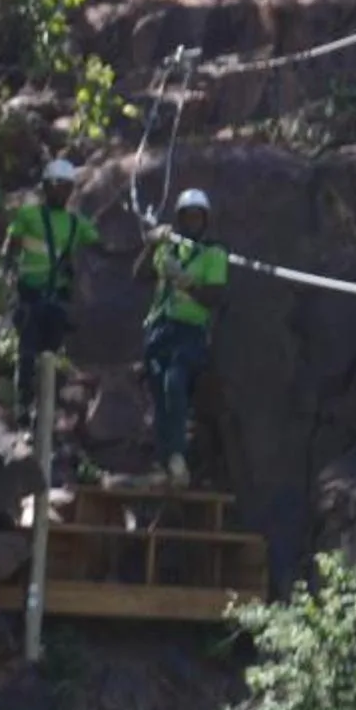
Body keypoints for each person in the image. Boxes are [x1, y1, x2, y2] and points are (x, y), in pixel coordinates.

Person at [143, 187, 227, 488]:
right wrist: (151, 246)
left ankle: (177, 457)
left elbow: (214, 297)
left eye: (197, 217)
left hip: (189, 332)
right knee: (158, 394)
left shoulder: (214, 253)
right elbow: (139, 276)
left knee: (174, 385)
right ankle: (165, 463)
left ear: (205, 220)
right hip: (159, 330)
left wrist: (186, 281)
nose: (192, 222)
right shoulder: (169, 247)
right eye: (187, 217)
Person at [2, 158, 91, 419]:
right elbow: (12, 243)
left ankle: (45, 409)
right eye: (56, 186)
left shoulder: (76, 223)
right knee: (27, 350)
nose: (61, 192)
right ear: (46, 187)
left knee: (49, 356)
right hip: (30, 293)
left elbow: (100, 241)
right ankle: (22, 405)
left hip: (57, 297)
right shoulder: (29, 215)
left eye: (66, 187)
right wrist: (6, 272)